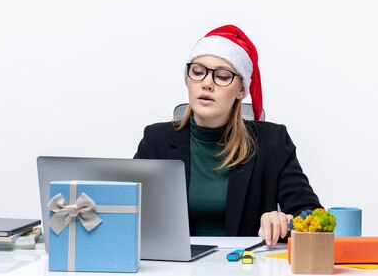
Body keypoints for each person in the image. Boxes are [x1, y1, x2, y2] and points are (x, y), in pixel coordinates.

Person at [134, 25, 322, 245]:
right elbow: (128, 210)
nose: (206, 83)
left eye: (222, 76)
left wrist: (286, 222)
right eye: (197, 72)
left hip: (245, 266)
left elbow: (313, 215)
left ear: (241, 90)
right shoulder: (156, 139)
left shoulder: (273, 141)